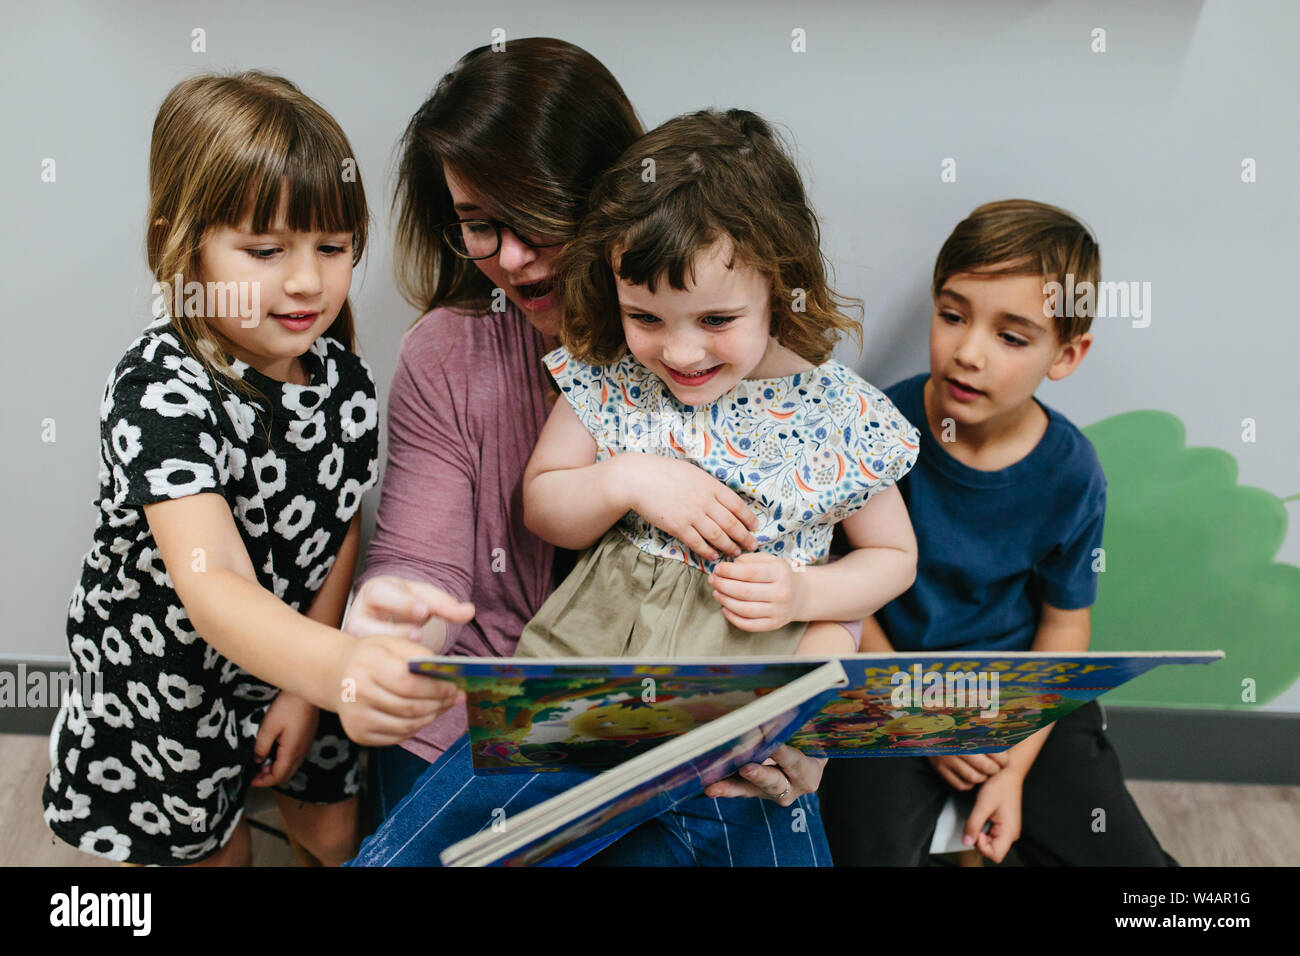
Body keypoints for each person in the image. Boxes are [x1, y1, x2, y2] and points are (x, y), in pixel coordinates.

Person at [342, 42, 843, 865]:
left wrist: (814, 696)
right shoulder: (449, 354)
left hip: (702, 721)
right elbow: (420, 570)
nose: (508, 257)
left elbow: (820, 544)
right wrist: (379, 643)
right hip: (503, 721)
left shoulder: (724, 352)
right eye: (478, 225)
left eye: (534, 216)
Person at [41, 70, 459, 867]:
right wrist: (338, 667)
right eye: (266, 250)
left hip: (297, 658)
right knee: (214, 855)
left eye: (332, 248)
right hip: (168, 689)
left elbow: (340, 524)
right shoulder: (160, 390)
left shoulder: (341, 378)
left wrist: (307, 687)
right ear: (183, 242)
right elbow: (215, 582)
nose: (307, 280)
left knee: (335, 832)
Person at [818, 199, 1178, 866]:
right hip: (892, 684)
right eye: (952, 316)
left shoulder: (1072, 472)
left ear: (1066, 354)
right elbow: (845, 594)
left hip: (1022, 694)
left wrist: (1012, 769)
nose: (968, 352)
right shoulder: (879, 428)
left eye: (1011, 337)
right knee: (859, 847)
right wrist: (924, 720)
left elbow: (1065, 627)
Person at [514, 107, 919, 664]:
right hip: (592, 661)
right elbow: (542, 506)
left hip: (738, 682)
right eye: (646, 318)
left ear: (779, 287)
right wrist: (627, 479)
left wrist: (804, 594)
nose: (679, 353)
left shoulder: (836, 413)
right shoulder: (613, 373)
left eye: (716, 320)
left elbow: (894, 556)